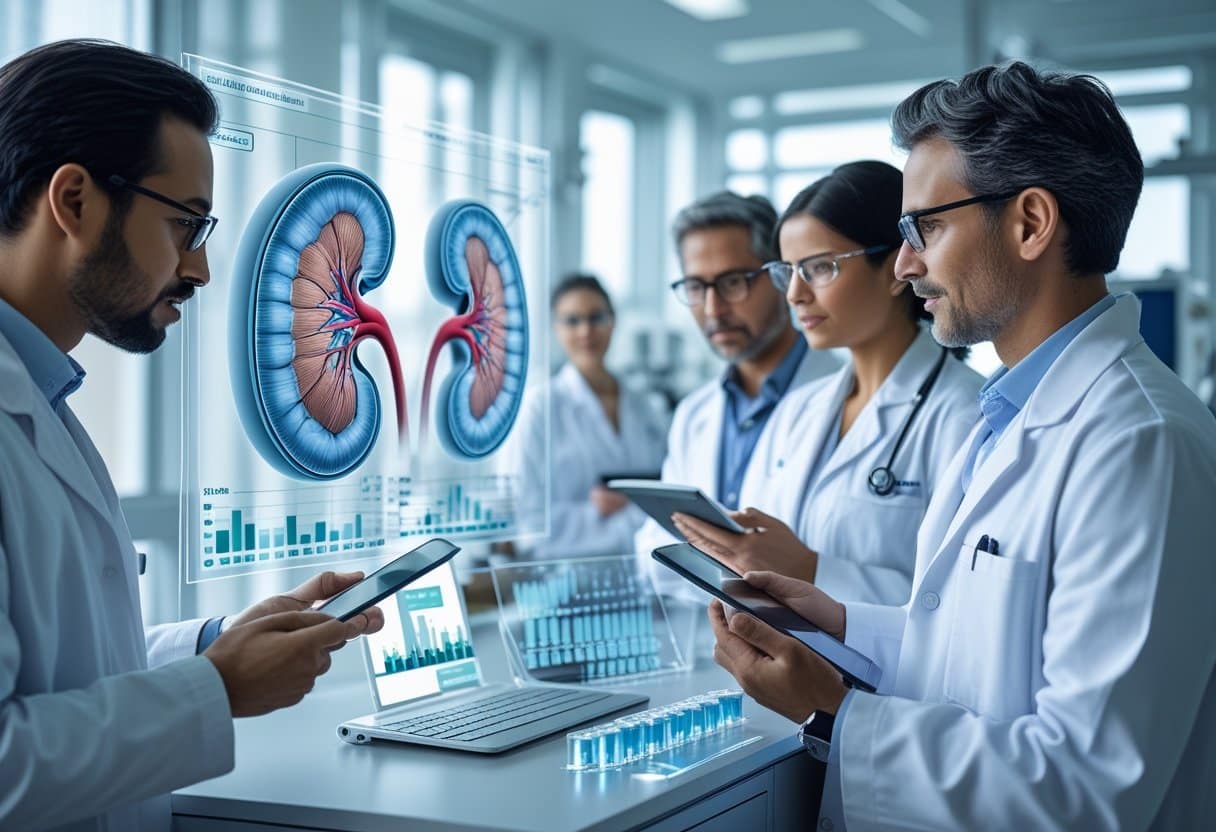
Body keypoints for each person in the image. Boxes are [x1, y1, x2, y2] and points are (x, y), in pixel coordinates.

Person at [708, 61, 1216, 830]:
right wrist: (843, 622)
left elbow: (1088, 785)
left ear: (1031, 223)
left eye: (926, 228)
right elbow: (971, 649)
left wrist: (836, 712)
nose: (905, 261)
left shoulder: (1140, 444)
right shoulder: (1010, 412)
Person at [0, 40, 385, 831]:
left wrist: (220, 645)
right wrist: (216, 689)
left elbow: (62, 672)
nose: (200, 270)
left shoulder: (41, 391)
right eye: (186, 226)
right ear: (72, 201)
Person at [672, 162, 983, 606]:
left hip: (896, 677)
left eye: (819, 268)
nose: (795, 294)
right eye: (788, 271)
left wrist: (809, 570)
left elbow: (965, 604)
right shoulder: (799, 410)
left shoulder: (965, 414)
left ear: (897, 265)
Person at [633, 191, 840, 564]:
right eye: (696, 287)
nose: (714, 309)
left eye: (733, 283)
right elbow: (654, 546)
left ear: (780, 276)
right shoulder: (694, 414)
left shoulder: (843, 395)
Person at [507, 274, 668, 559]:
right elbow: (526, 520)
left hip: (643, 577)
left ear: (613, 321)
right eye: (572, 321)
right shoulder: (541, 407)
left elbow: (668, 496)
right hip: (563, 579)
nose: (586, 331)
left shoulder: (646, 406)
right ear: (556, 328)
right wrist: (596, 512)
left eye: (596, 318)